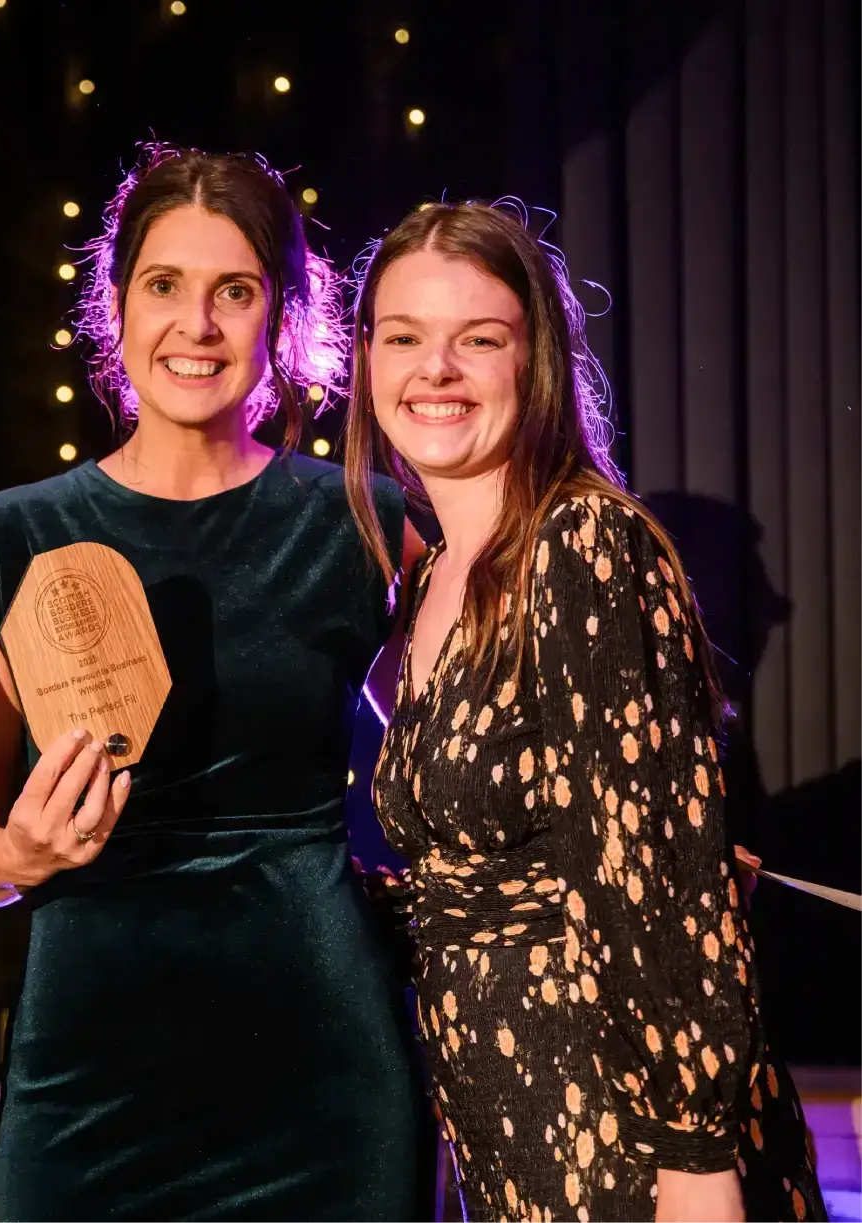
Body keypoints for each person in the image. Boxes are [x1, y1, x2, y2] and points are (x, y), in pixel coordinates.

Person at [0, 144, 432, 1221]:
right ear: (113, 308)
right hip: (89, 1075)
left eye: (234, 291)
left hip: (321, 1071)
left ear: (280, 316)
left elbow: (464, 759)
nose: (195, 324)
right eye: (163, 285)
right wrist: (11, 854)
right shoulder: (7, 538)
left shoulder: (362, 520)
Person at [345, 200, 827, 1223]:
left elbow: (659, 877)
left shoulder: (584, 548)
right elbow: (483, 884)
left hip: (625, 1135)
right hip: (508, 1121)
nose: (434, 370)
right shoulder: (429, 577)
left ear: (538, 362)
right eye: (404, 338)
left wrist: (695, 1162)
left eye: (477, 339)